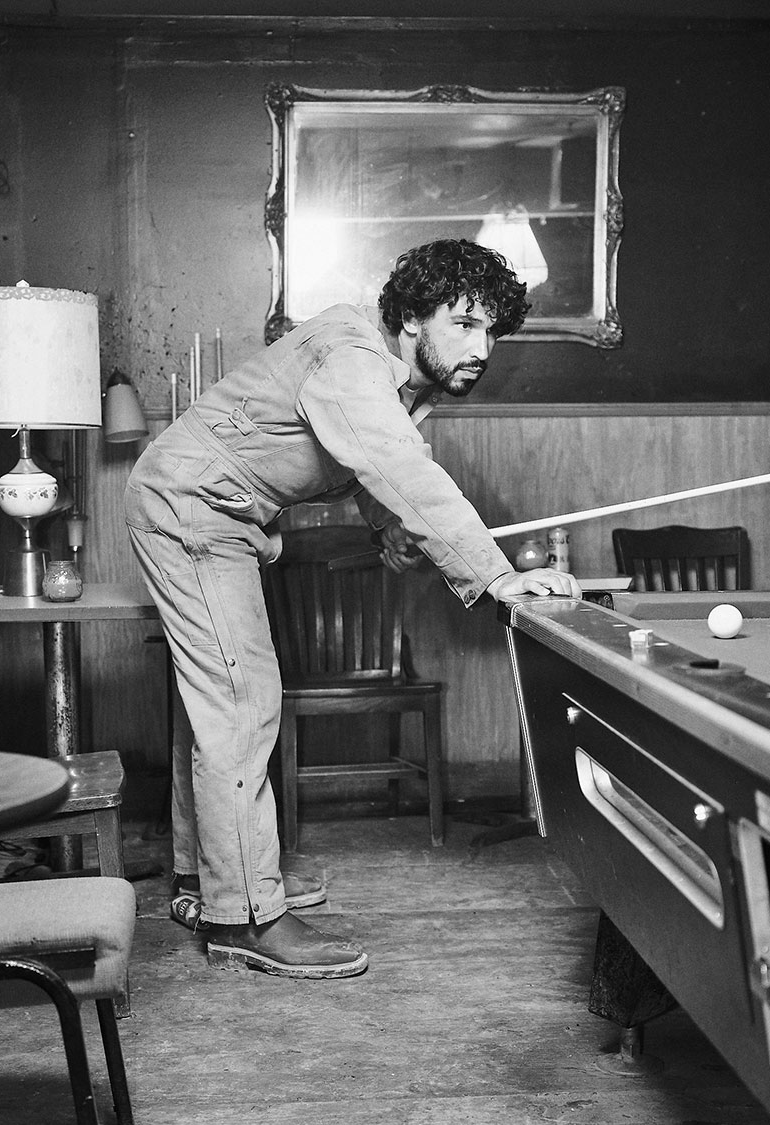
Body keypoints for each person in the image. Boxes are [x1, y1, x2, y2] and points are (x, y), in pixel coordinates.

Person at [127, 238, 580, 979]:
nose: (483, 348)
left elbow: (362, 458)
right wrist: (497, 580)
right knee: (241, 703)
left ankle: (204, 882)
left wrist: (384, 529)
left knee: (214, 703)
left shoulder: (391, 378)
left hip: (218, 514)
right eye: (465, 323)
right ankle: (244, 916)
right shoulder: (350, 354)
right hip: (191, 511)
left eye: (493, 330)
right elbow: (399, 465)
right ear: (409, 317)